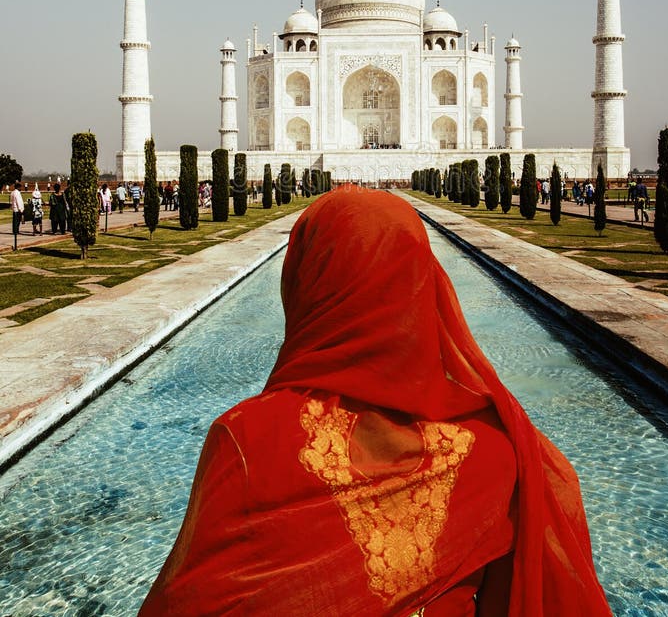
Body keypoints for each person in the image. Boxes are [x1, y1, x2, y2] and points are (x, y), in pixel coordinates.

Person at [139, 187, 612, 616]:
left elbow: (182, 604)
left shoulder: (248, 438)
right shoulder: (495, 452)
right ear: (420, 282)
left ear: (307, 282)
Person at [10, 181, 24, 249]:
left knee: (15, 221)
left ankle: (15, 230)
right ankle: (16, 231)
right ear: (18, 187)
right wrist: (21, 209)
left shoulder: (12, 192)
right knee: (17, 221)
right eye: (20, 187)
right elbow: (18, 201)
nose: (21, 188)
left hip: (14, 208)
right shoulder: (17, 193)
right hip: (17, 209)